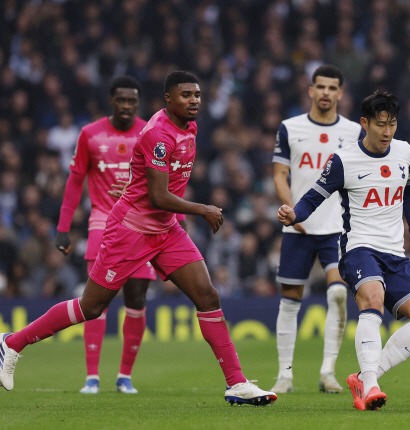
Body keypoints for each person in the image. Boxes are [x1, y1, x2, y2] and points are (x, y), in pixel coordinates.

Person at [1, 71, 277, 406]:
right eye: (186, 95)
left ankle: (237, 383)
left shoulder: (189, 127)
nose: (194, 101)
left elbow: (167, 189)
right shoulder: (158, 134)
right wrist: (202, 209)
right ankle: (13, 343)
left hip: (165, 229)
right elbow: (159, 196)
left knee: (207, 295)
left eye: (198, 95)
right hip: (130, 230)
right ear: (168, 99)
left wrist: (175, 214)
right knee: (92, 306)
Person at [277, 92, 410, 411]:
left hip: (394, 253)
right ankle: (371, 387)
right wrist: (294, 214)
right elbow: (313, 196)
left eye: (392, 124)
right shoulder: (343, 160)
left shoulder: (405, 152)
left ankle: (367, 378)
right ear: (364, 123)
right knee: (373, 300)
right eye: (380, 124)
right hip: (358, 249)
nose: (387, 131)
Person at [55, 76, 172, 395]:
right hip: (102, 222)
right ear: (111, 101)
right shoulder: (90, 135)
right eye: (121, 100)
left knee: (136, 298)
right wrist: (63, 228)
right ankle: (91, 377)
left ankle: (124, 377)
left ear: (138, 103)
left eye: (132, 101)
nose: (126, 106)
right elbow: (75, 180)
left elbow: (165, 181)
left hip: (141, 223)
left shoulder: (150, 132)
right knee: (96, 300)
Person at [271, 65, 363, 394]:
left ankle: (327, 372)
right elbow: (280, 174)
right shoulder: (289, 128)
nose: (325, 92)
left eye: (332, 88)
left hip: (337, 227)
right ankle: (285, 375)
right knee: (290, 300)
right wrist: (294, 213)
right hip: (298, 228)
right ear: (310, 91)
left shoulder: (354, 132)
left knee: (338, 293)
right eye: (320, 87)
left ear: (340, 93)